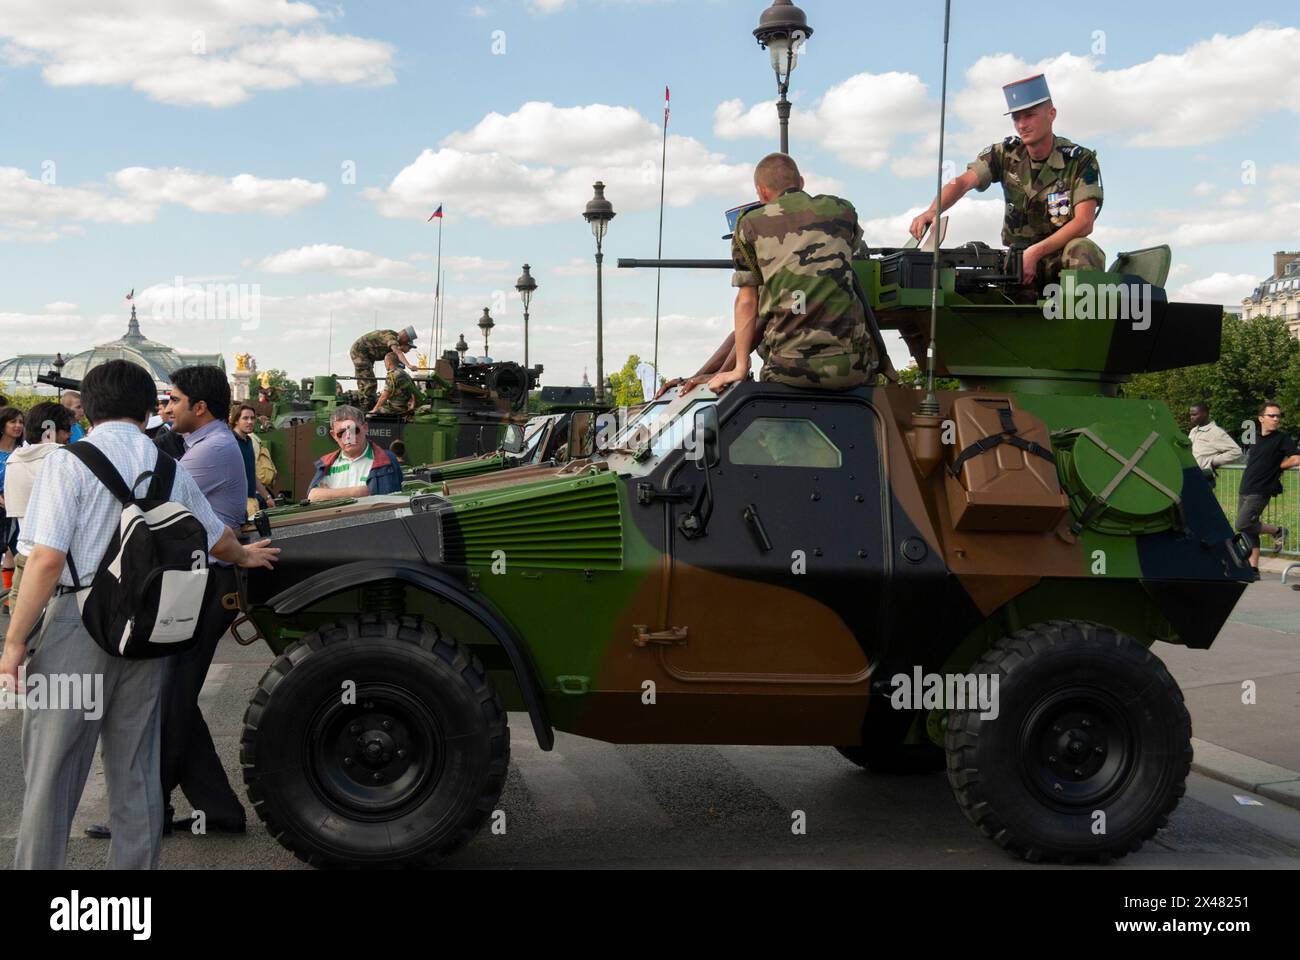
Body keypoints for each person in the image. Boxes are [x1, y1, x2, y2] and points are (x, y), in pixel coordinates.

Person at [2, 360, 277, 869]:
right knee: (134, 766)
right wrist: (247, 556)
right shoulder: (168, 465)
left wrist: (14, 641)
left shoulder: (68, 462)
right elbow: (216, 535)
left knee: (53, 768)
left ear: (89, 406)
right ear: (148, 409)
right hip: (148, 632)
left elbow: (45, 558)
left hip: (76, 627)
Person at [85, 365, 252, 841]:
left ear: (199, 407)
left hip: (201, 585)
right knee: (174, 700)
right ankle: (218, 810)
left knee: (169, 702)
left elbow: (150, 501)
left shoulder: (210, 451)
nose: (165, 408)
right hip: (199, 582)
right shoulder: (206, 446)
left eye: (173, 400)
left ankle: (147, 812)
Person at [703, 153, 878, 395]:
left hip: (786, 371)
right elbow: (852, 250)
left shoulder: (749, 225)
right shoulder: (842, 210)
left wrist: (740, 368)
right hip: (851, 369)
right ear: (802, 183)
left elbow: (746, 301)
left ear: (762, 193)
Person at [908, 74, 1105, 287]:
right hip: (1017, 264)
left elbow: (1084, 222)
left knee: (1082, 248)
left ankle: (1083, 319)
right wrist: (933, 210)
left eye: (1030, 115)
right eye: (1016, 118)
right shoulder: (1004, 154)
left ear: (1051, 114)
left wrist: (1035, 252)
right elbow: (963, 183)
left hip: (1060, 260)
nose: (1022, 125)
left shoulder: (1080, 160)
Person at [3, 402, 74, 609]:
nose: (69, 435)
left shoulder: (14, 458)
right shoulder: (63, 458)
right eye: (66, 430)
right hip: (56, 558)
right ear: (51, 431)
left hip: (24, 553)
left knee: (20, 621)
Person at [1235, 401, 1299, 569]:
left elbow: (1296, 458)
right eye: (1272, 415)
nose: (1276, 419)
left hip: (1262, 489)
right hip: (1246, 486)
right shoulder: (1254, 437)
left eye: (1278, 416)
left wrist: (1279, 466)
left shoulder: (1282, 438)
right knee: (1249, 529)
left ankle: (1277, 531)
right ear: (1261, 418)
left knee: (1242, 523)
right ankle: (1253, 567)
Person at [307, 405, 402, 501]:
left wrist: (330, 494)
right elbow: (313, 496)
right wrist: (361, 492)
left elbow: (388, 499)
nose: (349, 437)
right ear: (334, 435)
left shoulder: (386, 460)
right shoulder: (325, 464)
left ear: (365, 428)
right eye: (341, 433)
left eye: (354, 430)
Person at [350, 326, 417, 409]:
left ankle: (368, 403)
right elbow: (397, 352)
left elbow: (394, 359)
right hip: (359, 352)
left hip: (368, 355)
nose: (408, 349)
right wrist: (409, 365)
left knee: (365, 379)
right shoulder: (391, 336)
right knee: (369, 382)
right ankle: (366, 407)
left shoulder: (395, 342)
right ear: (405, 338)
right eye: (408, 344)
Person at [229, 403, 274, 517]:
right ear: (236, 420)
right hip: (236, 503)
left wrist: (267, 497)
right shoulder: (230, 442)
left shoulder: (248, 441)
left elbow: (251, 475)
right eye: (245, 418)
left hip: (250, 501)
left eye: (252, 418)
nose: (250, 422)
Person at [0, 407, 24, 612]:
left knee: (20, 555)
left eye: (20, 422)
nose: (17, 426)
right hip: (2, 509)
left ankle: (10, 598)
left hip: (18, 511)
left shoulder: (24, 449)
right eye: (12, 422)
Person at [1188, 402, 1242, 477]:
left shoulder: (1216, 432)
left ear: (1205, 414)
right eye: (1190, 415)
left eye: (1194, 414)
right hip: (1190, 475)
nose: (1191, 417)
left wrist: (1214, 461)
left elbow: (1236, 452)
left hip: (1204, 477)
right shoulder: (1193, 431)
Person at [371, 351, 422, 418]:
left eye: (385, 363)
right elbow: (414, 390)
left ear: (388, 363)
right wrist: (413, 405)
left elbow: (384, 396)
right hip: (404, 407)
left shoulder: (392, 375)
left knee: (369, 414)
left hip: (395, 409)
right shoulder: (404, 373)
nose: (385, 365)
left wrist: (374, 410)